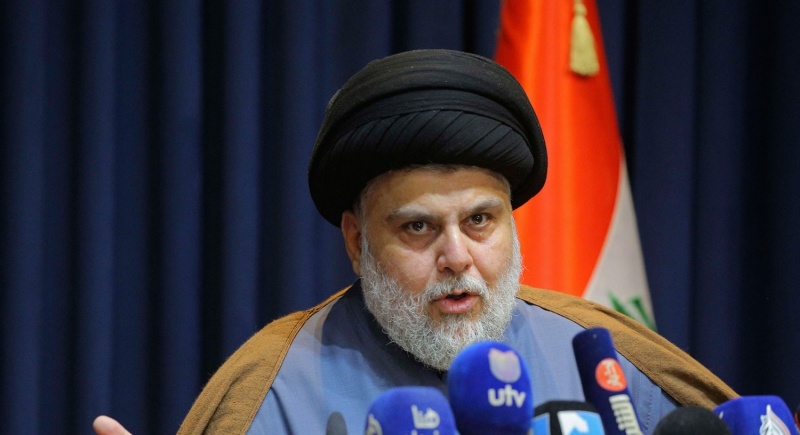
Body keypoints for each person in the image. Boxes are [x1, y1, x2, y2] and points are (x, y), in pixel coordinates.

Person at [94, 49, 736, 435]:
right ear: (356, 241)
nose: (457, 258)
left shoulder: (607, 360)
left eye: (480, 220)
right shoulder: (271, 388)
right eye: (418, 228)